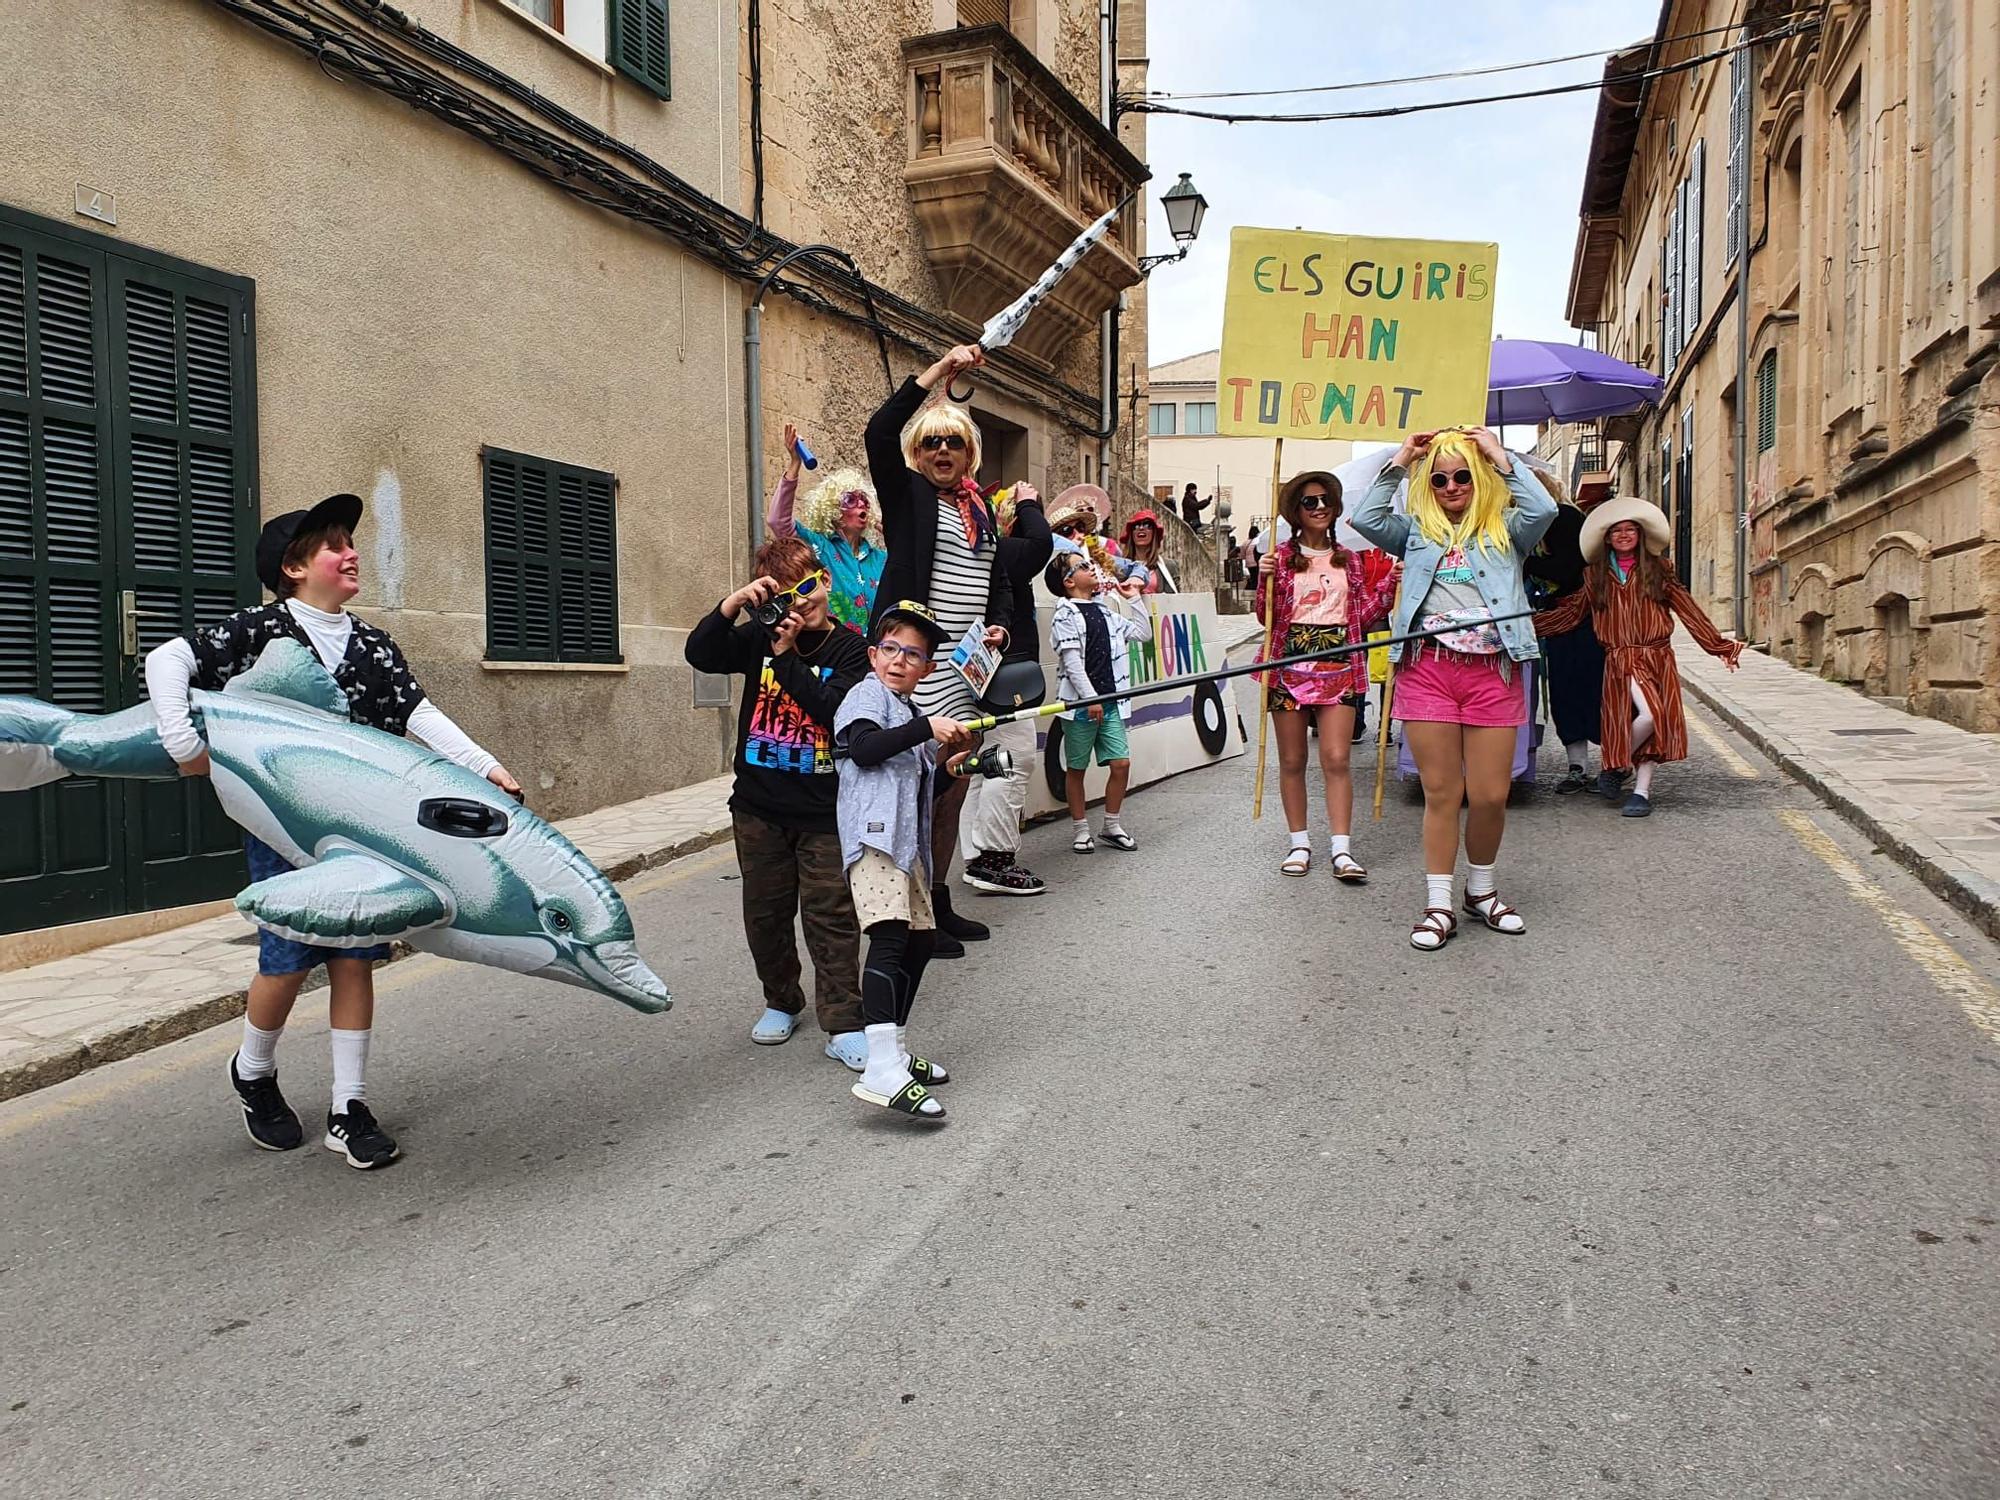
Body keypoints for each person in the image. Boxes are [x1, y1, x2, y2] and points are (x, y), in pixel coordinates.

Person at [143, 494, 519, 1169]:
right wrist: (181, 744)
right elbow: (169, 659)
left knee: (354, 957)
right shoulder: (260, 630)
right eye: (334, 545)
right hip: (283, 830)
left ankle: (349, 1108)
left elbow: (419, 714)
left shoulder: (373, 643)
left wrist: (485, 766)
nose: (351, 554)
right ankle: (253, 1069)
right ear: (294, 567)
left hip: (361, 829)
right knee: (285, 964)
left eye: (350, 541)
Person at [863, 343, 1053, 958]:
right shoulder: (910, 496)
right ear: (918, 455)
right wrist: (942, 372)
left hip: (971, 670)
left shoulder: (978, 513)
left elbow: (999, 584)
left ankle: (936, 901)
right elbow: (880, 429)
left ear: (969, 453)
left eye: (953, 444)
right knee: (922, 791)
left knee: (952, 789)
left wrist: (998, 625)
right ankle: (911, 916)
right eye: (930, 445)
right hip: (922, 669)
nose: (941, 453)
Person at [1350, 428, 1557, 953]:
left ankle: (1481, 892)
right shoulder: (1417, 532)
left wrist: (1498, 454)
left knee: (1490, 794)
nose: (1450, 485)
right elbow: (1368, 519)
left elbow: (1545, 510)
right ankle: (1438, 903)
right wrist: (1402, 462)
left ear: (1478, 477)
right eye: (1439, 478)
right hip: (1429, 672)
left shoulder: (1507, 529)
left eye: (1462, 475)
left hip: (1494, 672)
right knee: (1443, 794)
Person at [683, 534, 873, 1064]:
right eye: (786, 597)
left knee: (831, 917)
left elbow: (831, 712)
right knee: (765, 915)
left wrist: (785, 656)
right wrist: (732, 607)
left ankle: (843, 1020)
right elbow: (700, 653)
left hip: (825, 813)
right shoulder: (756, 638)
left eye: (808, 587)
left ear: (826, 581)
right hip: (758, 809)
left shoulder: (855, 652)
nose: (802, 602)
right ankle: (780, 1000)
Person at [833, 601, 973, 1119]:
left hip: (907, 846)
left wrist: (954, 767)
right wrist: (928, 731)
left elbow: (923, 787)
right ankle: (880, 1066)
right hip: (874, 840)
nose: (898, 661)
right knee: (890, 940)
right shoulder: (864, 696)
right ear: (873, 654)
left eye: (912, 655)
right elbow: (865, 749)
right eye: (890, 649)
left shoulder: (913, 714)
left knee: (917, 944)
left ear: (928, 669)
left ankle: (895, 1049)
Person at [1533, 496, 1743, 817]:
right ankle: (1615, 764)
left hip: (1657, 656)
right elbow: (1572, 614)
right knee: (1651, 715)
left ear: (1641, 534)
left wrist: (1719, 646)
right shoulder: (1595, 576)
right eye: (1617, 531)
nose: (1624, 535)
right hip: (1621, 659)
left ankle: (1640, 791)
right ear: (1607, 538)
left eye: (1631, 529)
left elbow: (1688, 609)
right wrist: (1524, 627)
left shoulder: (1660, 570)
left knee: (1652, 724)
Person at [1254, 471, 1399, 880]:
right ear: (1295, 513)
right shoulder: (1279, 558)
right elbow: (1266, 617)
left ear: (1335, 508)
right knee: (1293, 758)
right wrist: (1262, 579)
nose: (1319, 508)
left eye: (1325, 501)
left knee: (1337, 757)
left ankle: (1341, 850)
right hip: (1288, 660)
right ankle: (1299, 843)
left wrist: (1390, 586)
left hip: (1339, 662)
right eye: (1309, 502)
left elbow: (1364, 616)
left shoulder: (1349, 560)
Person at [960, 486, 1048, 897]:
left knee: (985, 763)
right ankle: (993, 858)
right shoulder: (993, 550)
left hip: (980, 667)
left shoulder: (981, 551)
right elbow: (1040, 544)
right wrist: (1029, 502)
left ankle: (977, 855)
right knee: (1012, 758)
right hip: (997, 670)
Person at [1047, 549, 1149, 853]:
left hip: (1112, 702)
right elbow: (1073, 663)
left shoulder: (1104, 611)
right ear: (1068, 581)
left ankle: (1111, 824)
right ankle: (1080, 828)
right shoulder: (1065, 614)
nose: (1092, 568)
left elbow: (1142, 634)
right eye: (1082, 566)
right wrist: (1089, 699)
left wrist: (1134, 599)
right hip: (1080, 707)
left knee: (1121, 763)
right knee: (1076, 768)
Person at [1521, 472, 1605, 793]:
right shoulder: (1534, 526)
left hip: (1583, 618)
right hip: (1556, 619)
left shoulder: (1565, 518)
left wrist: (1530, 564)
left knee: (1592, 689)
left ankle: (1614, 763)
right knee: (1563, 690)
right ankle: (1577, 767)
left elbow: (1568, 567)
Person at [764, 421, 884, 634]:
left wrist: (896, 535)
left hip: (876, 654)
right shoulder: (818, 546)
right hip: (833, 650)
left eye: (864, 499)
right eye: (850, 499)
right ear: (833, 511)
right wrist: (794, 464)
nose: (861, 504)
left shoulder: (881, 558)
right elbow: (778, 521)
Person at [1047, 486, 1149, 596]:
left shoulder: (1099, 557)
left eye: (1080, 527)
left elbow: (1138, 566)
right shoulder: (1054, 569)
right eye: (1067, 531)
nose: (1079, 535)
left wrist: (1135, 578)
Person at [1120, 509, 1177, 595]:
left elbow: (1178, 600)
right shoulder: (1120, 567)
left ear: (1154, 534)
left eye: (1147, 525)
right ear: (1131, 534)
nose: (1141, 528)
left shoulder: (1169, 566)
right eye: (1136, 526)